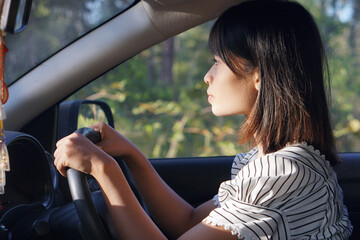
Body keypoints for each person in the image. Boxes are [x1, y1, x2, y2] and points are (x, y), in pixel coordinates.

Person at [54, 0, 353, 239]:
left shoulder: (285, 175)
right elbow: (189, 222)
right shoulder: (268, 163)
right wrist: (132, 155)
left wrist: (103, 169)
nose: (207, 77)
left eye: (218, 62)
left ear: (259, 76)